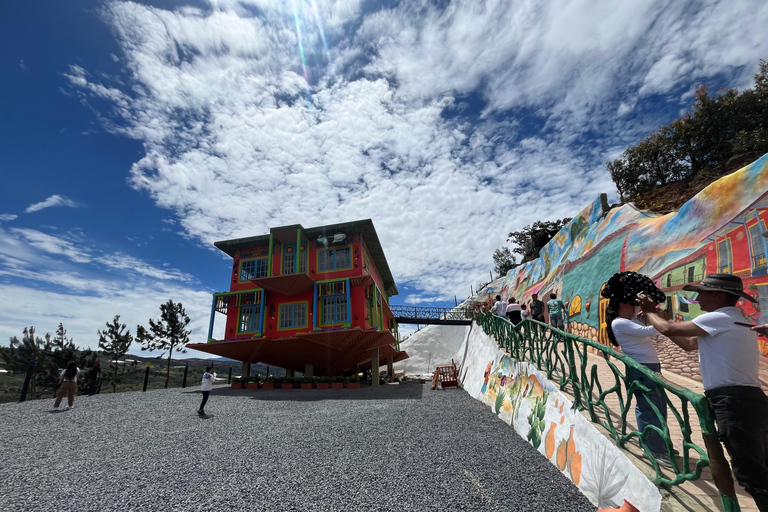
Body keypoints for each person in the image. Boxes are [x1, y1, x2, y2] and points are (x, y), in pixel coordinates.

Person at [639, 273, 768, 510]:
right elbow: (688, 343)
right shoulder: (736, 320)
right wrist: (662, 322)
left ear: (717, 295)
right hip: (750, 399)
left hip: (733, 401)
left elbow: (667, 327)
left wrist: (649, 311)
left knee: (753, 475)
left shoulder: (719, 318)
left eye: (702, 293)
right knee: (760, 466)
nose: (697, 299)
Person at [602, 271, 674, 466]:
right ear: (622, 304)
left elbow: (648, 327)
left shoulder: (631, 320)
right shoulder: (620, 322)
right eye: (632, 303)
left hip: (651, 366)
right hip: (641, 368)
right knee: (648, 408)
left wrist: (651, 313)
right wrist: (658, 317)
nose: (635, 305)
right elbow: (651, 331)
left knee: (659, 406)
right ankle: (652, 449)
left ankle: (659, 442)